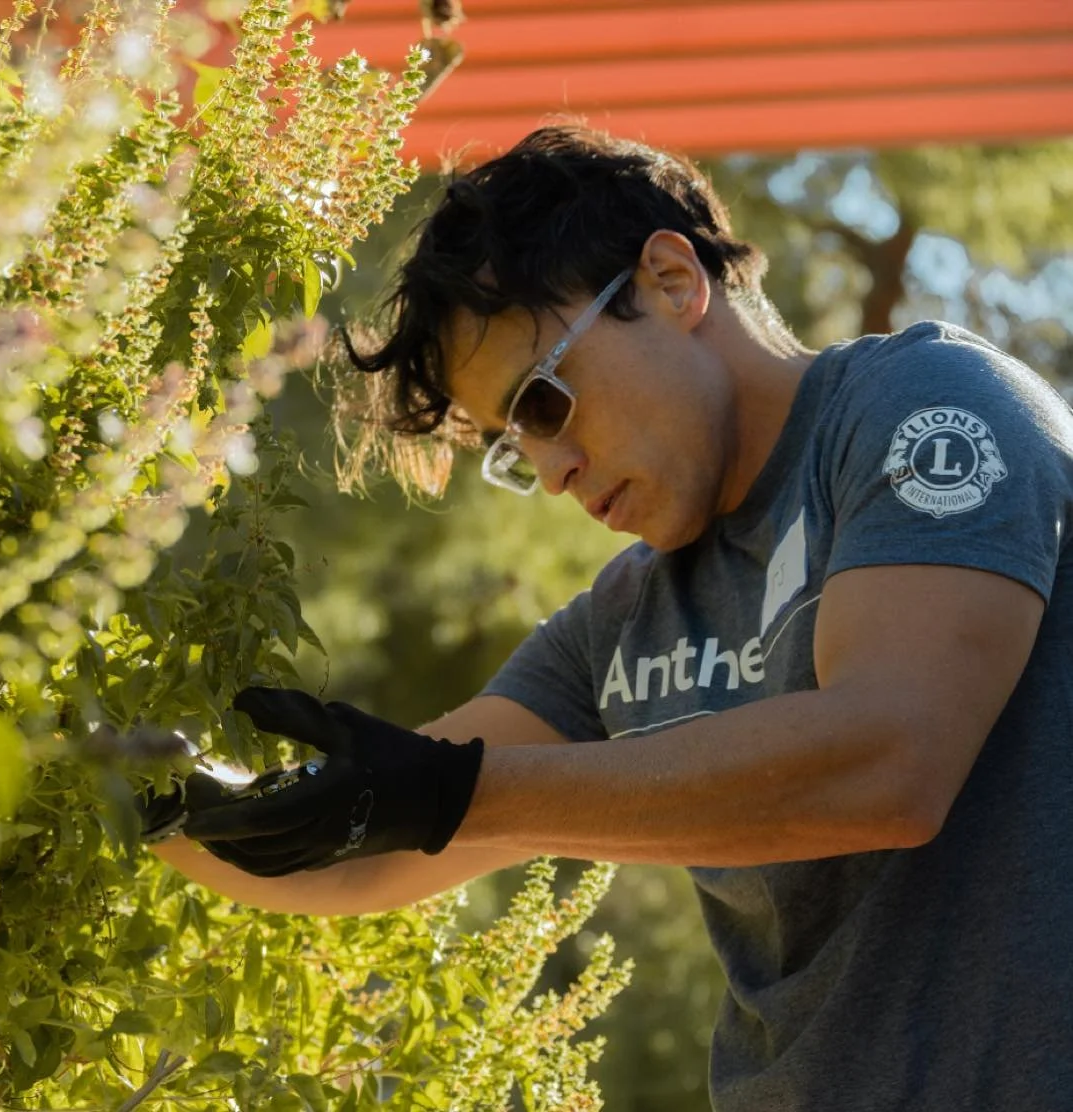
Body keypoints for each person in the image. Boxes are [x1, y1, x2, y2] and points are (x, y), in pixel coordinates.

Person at [148, 124, 1073, 1110]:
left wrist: (458, 791)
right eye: (515, 448)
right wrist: (145, 793)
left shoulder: (925, 409)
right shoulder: (623, 618)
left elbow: (889, 758)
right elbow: (361, 845)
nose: (552, 474)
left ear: (672, 281)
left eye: (543, 404)